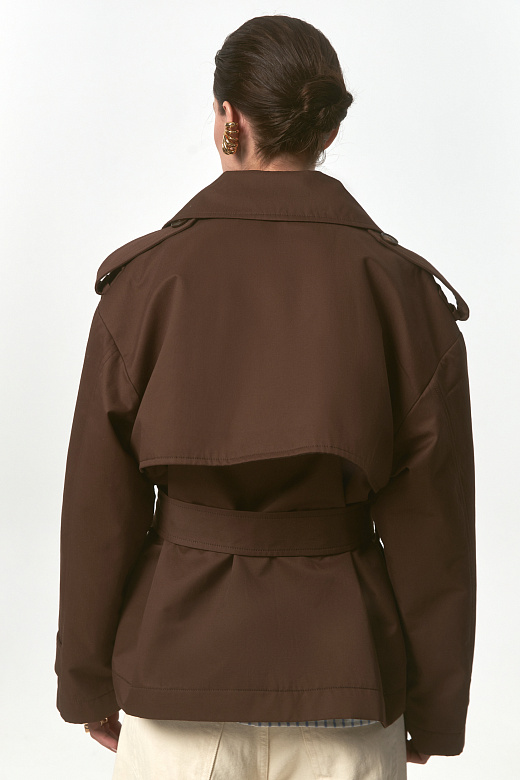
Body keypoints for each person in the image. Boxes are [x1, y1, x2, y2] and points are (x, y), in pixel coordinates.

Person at [54, 14, 476, 780]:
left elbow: (98, 509)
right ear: (328, 130)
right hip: (349, 685)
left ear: (228, 117)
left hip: (176, 676)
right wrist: (435, 708)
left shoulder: (145, 284)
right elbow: (435, 531)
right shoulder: (405, 292)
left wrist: (85, 681)